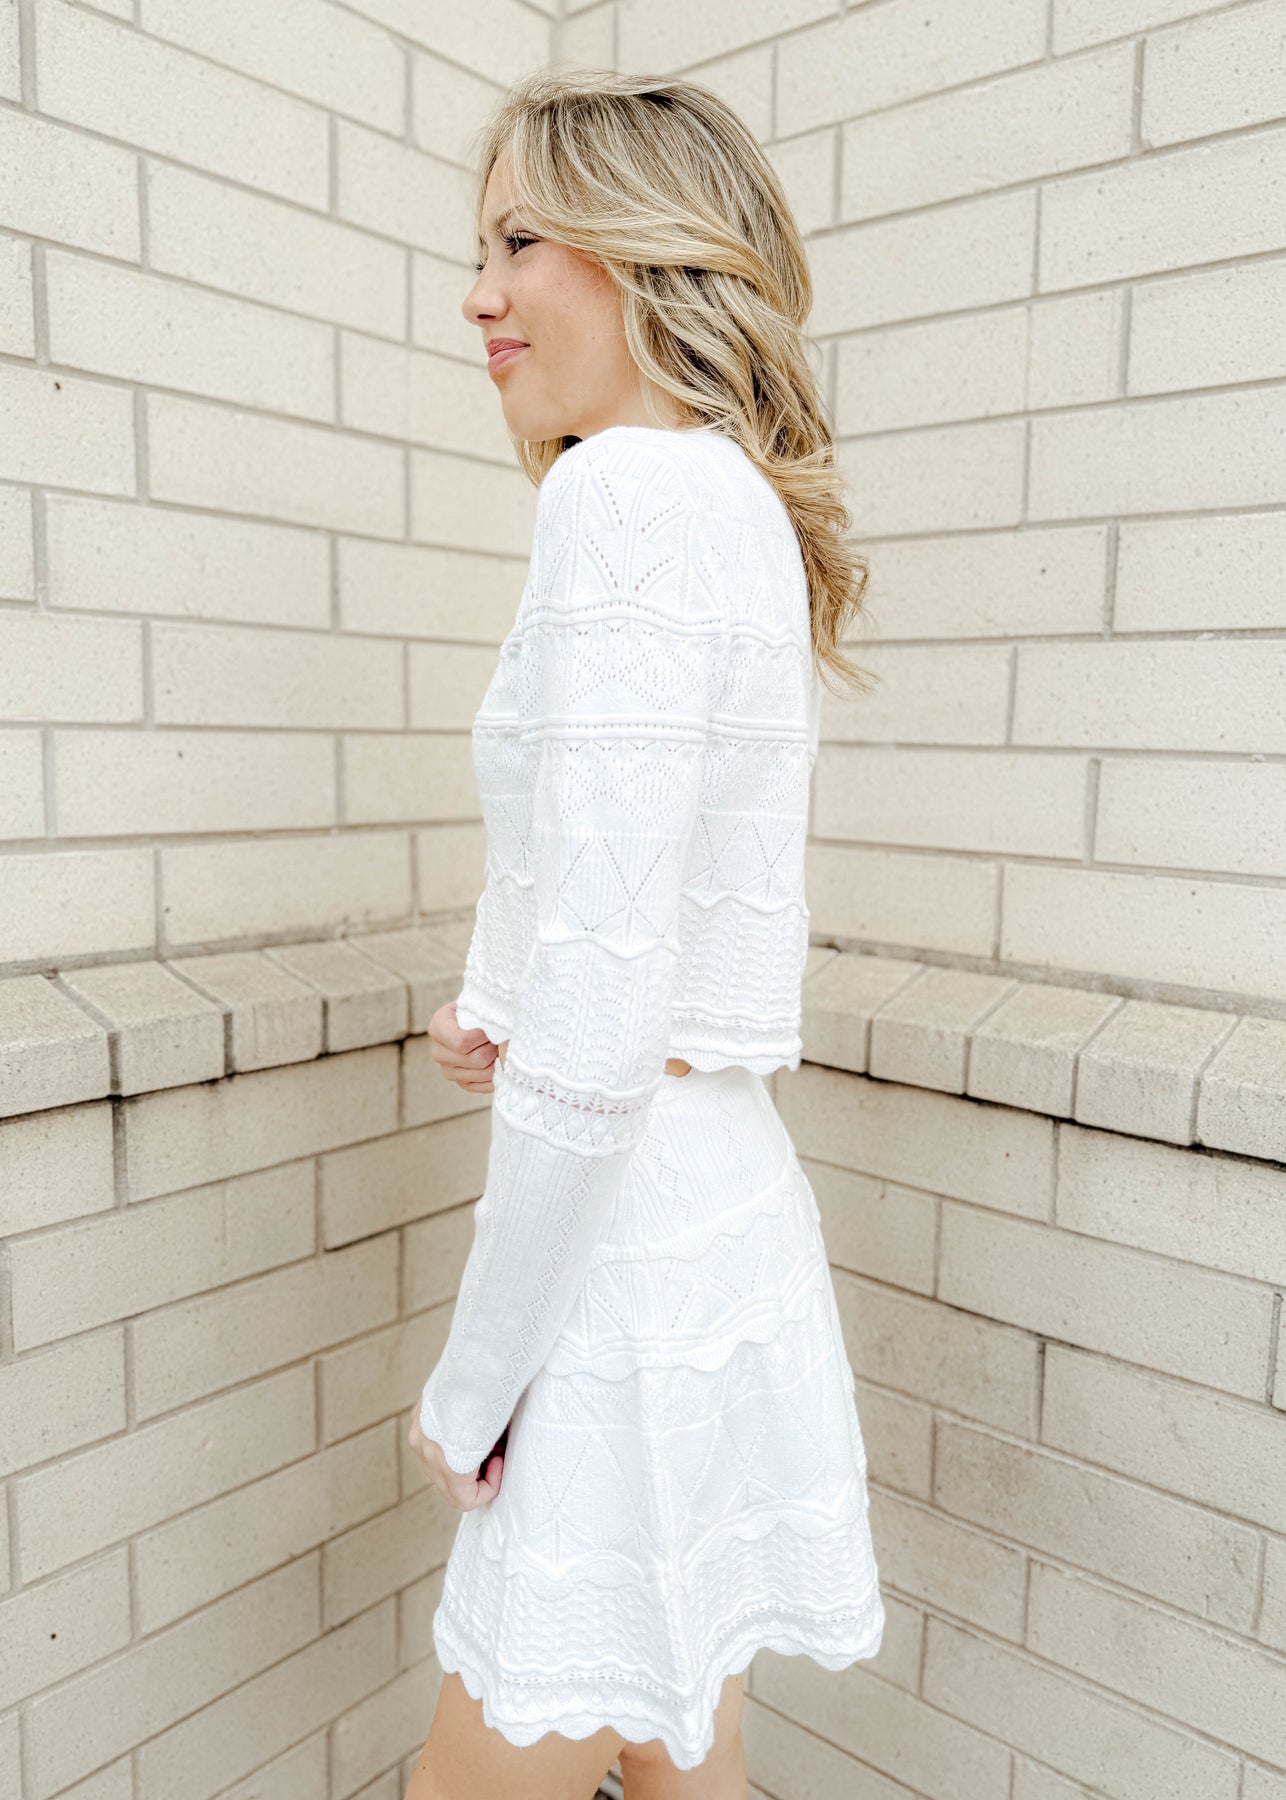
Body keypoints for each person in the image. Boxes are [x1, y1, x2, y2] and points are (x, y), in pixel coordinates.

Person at [403, 67, 886, 1800]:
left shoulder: (616, 497)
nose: (478, 295)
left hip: (616, 1263)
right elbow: (643, 882)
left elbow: (606, 1019)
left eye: (519, 242)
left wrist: (470, 1389)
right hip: (722, 1209)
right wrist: (504, 996)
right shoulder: (729, 500)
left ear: (649, 252)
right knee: (689, 1756)